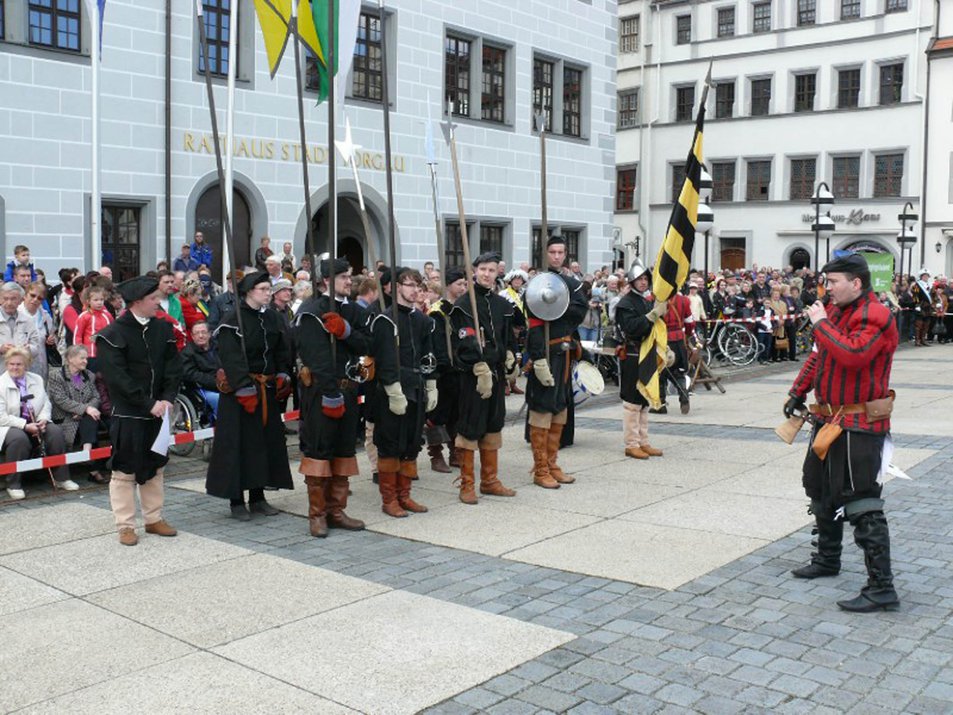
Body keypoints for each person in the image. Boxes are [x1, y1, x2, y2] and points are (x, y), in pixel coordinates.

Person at [785, 254, 900, 613]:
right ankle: (827, 559)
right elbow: (821, 356)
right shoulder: (836, 314)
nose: (827, 289)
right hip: (828, 420)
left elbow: (852, 355)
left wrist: (819, 324)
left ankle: (882, 587)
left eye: (833, 282)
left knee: (862, 502)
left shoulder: (877, 316)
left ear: (857, 283)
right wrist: (797, 390)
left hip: (861, 424)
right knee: (820, 490)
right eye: (827, 282)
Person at [94, 277, 182, 546]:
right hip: (130, 413)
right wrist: (148, 403)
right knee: (124, 470)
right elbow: (118, 378)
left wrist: (167, 398)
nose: (159, 302)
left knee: (156, 465)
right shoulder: (112, 335)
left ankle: (153, 519)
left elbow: (173, 367)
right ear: (137, 302)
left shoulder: (162, 329)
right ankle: (125, 525)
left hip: (159, 410)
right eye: (154, 298)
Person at [205, 271, 294, 520]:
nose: (268, 292)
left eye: (269, 288)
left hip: (265, 389)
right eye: (263, 289)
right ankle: (236, 501)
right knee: (239, 446)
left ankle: (258, 497)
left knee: (262, 444)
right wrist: (243, 386)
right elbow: (230, 356)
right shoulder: (233, 320)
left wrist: (282, 374)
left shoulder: (273, 318)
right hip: (240, 393)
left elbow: (279, 350)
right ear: (249, 292)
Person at [295, 258, 369, 537]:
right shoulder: (311, 311)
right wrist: (329, 393)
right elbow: (316, 356)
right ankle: (317, 514)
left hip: (349, 388)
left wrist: (346, 331)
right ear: (327, 280)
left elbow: (367, 343)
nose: (349, 281)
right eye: (343, 277)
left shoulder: (353, 311)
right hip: (321, 392)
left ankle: (336, 510)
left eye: (350, 276)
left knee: (344, 450)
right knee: (318, 450)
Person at [449, 253, 518, 504]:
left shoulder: (502, 305)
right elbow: (463, 340)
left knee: (493, 424)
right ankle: (467, 484)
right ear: (474, 271)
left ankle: (490, 480)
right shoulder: (464, 305)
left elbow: (508, 336)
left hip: (497, 372)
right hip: (473, 375)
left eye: (491, 270)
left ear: (498, 272)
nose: (487, 274)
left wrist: (511, 355)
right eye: (482, 269)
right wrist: (477, 366)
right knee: (470, 426)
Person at [370, 267, 435, 517]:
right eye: (409, 285)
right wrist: (392, 389)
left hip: (417, 386)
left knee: (411, 444)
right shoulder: (385, 320)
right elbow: (384, 358)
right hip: (392, 390)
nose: (415, 290)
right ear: (396, 287)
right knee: (390, 445)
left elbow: (428, 354)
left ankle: (405, 495)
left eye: (418, 285)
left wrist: (431, 383)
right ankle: (389, 500)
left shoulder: (423, 320)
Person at [525, 235, 587, 489]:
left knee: (560, 406)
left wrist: (562, 304)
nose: (557, 256)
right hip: (546, 352)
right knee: (542, 407)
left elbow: (578, 312)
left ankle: (552, 463)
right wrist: (538, 358)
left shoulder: (573, 284)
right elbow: (534, 324)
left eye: (561, 252)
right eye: (552, 252)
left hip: (565, 351)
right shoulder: (536, 285)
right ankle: (540, 469)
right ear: (546, 254)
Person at [0, 347, 79, 499]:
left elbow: (46, 403)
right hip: (8, 426)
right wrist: (25, 425)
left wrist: (43, 419)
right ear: (7, 364)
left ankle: (62, 478)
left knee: (55, 432)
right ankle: (13, 484)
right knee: (19, 438)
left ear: (27, 365)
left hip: (36, 421)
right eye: (11, 364)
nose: (15, 367)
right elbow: (1, 416)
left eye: (19, 364)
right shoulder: (0, 384)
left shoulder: (36, 379)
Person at [616, 260, 667, 460]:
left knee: (644, 400)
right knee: (632, 401)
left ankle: (643, 441)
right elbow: (632, 328)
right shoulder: (625, 303)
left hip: (646, 354)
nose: (643, 282)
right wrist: (652, 316)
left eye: (646, 278)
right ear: (632, 282)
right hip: (631, 354)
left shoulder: (645, 300)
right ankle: (631, 443)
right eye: (639, 279)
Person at [425, 268, 467, 473]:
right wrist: (445, 364)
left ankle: (454, 451)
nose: (463, 287)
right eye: (460, 284)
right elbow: (438, 343)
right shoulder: (438, 311)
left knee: (456, 413)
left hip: (460, 368)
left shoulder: (462, 308)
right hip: (445, 370)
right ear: (449, 285)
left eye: (465, 284)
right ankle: (436, 454)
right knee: (439, 413)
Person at [48, 344, 109, 483]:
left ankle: (87, 452)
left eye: (86, 358)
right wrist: (85, 409)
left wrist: (85, 410)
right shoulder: (56, 376)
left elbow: (96, 397)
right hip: (64, 418)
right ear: (70, 359)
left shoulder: (88, 375)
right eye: (82, 358)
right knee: (90, 416)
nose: (86, 361)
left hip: (84, 417)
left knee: (91, 418)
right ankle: (93, 469)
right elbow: (60, 400)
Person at [181, 322, 220, 419]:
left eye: (203, 332)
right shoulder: (187, 353)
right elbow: (191, 375)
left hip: (225, 384)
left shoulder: (219, 347)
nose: (201, 336)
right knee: (220, 400)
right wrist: (216, 382)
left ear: (209, 334)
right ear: (192, 336)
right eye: (197, 333)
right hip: (203, 389)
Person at [72, 285, 114, 373]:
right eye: (96, 300)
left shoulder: (107, 315)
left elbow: (113, 332)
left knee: (105, 379)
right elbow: (77, 335)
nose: (99, 303)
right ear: (88, 301)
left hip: (105, 354)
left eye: (101, 300)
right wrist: (79, 353)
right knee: (88, 379)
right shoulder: (84, 316)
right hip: (89, 355)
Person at [19, 282, 56, 382]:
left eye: (39, 298)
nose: (35, 300)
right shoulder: (17, 315)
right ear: (25, 295)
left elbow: (51, 333)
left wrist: (51, 340)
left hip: (41, 364)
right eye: (32, 295)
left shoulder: (45, 316)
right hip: (20, 364)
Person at [0, 282, 41, 370]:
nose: (9, 303)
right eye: (5, 298)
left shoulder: (28, 320)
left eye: (13, 299)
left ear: (21, 300)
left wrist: (28, 349)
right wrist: (0, 349)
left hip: (21, 372)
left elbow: (36, 346)